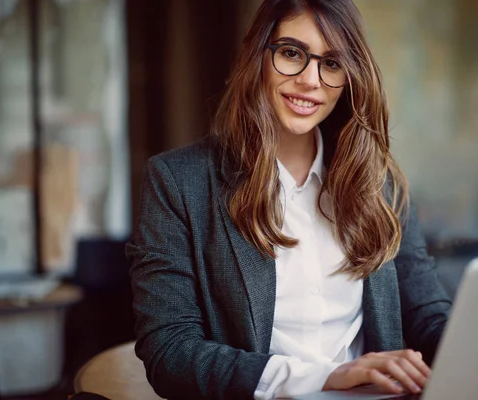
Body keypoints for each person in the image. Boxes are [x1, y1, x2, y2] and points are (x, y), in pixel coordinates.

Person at [126, 0, 452, 399]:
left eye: (331, 63)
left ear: (350, 77)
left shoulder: (380, 183)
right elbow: (171, 353)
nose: (311, 79)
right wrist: (326, 377)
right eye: (292, 53)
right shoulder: (178, 182)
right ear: (258, 56)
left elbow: (426, 316)